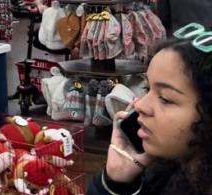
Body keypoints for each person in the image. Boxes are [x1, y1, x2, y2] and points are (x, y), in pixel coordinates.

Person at [89, 24, 212, 194]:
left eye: (165, 98)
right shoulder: (164, 173)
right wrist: (117, 181)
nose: (139, 105)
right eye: (147, 89)